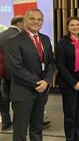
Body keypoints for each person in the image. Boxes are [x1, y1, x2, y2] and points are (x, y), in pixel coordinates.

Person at [5, 9, 55, 141]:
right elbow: (15, 68)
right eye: (32, 19)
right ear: (25, 21)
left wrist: (47, 81)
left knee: (37, 129)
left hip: (41, 91)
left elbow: (51, 62)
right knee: (20, 131)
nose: (36, 22)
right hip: (23, 93)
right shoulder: (13, 41)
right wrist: (38, 82)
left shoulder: (45, 39)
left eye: (39, 19)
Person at [0, 16, 24, 131]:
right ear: (19, 23)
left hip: (4, 73)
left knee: (4, 98)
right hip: (18, 73)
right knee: (19, 98)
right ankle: (21, 122)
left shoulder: (1, 34)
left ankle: (5, 121)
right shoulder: (21, 36)